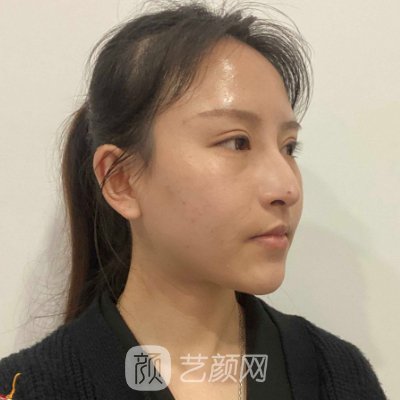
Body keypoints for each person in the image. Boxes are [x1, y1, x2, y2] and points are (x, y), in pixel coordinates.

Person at [0, 1, 388, 399]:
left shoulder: (338, 376)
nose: (286, 187)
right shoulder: (26, 389)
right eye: (237, 142)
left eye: (289, 147)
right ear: (122, 181)